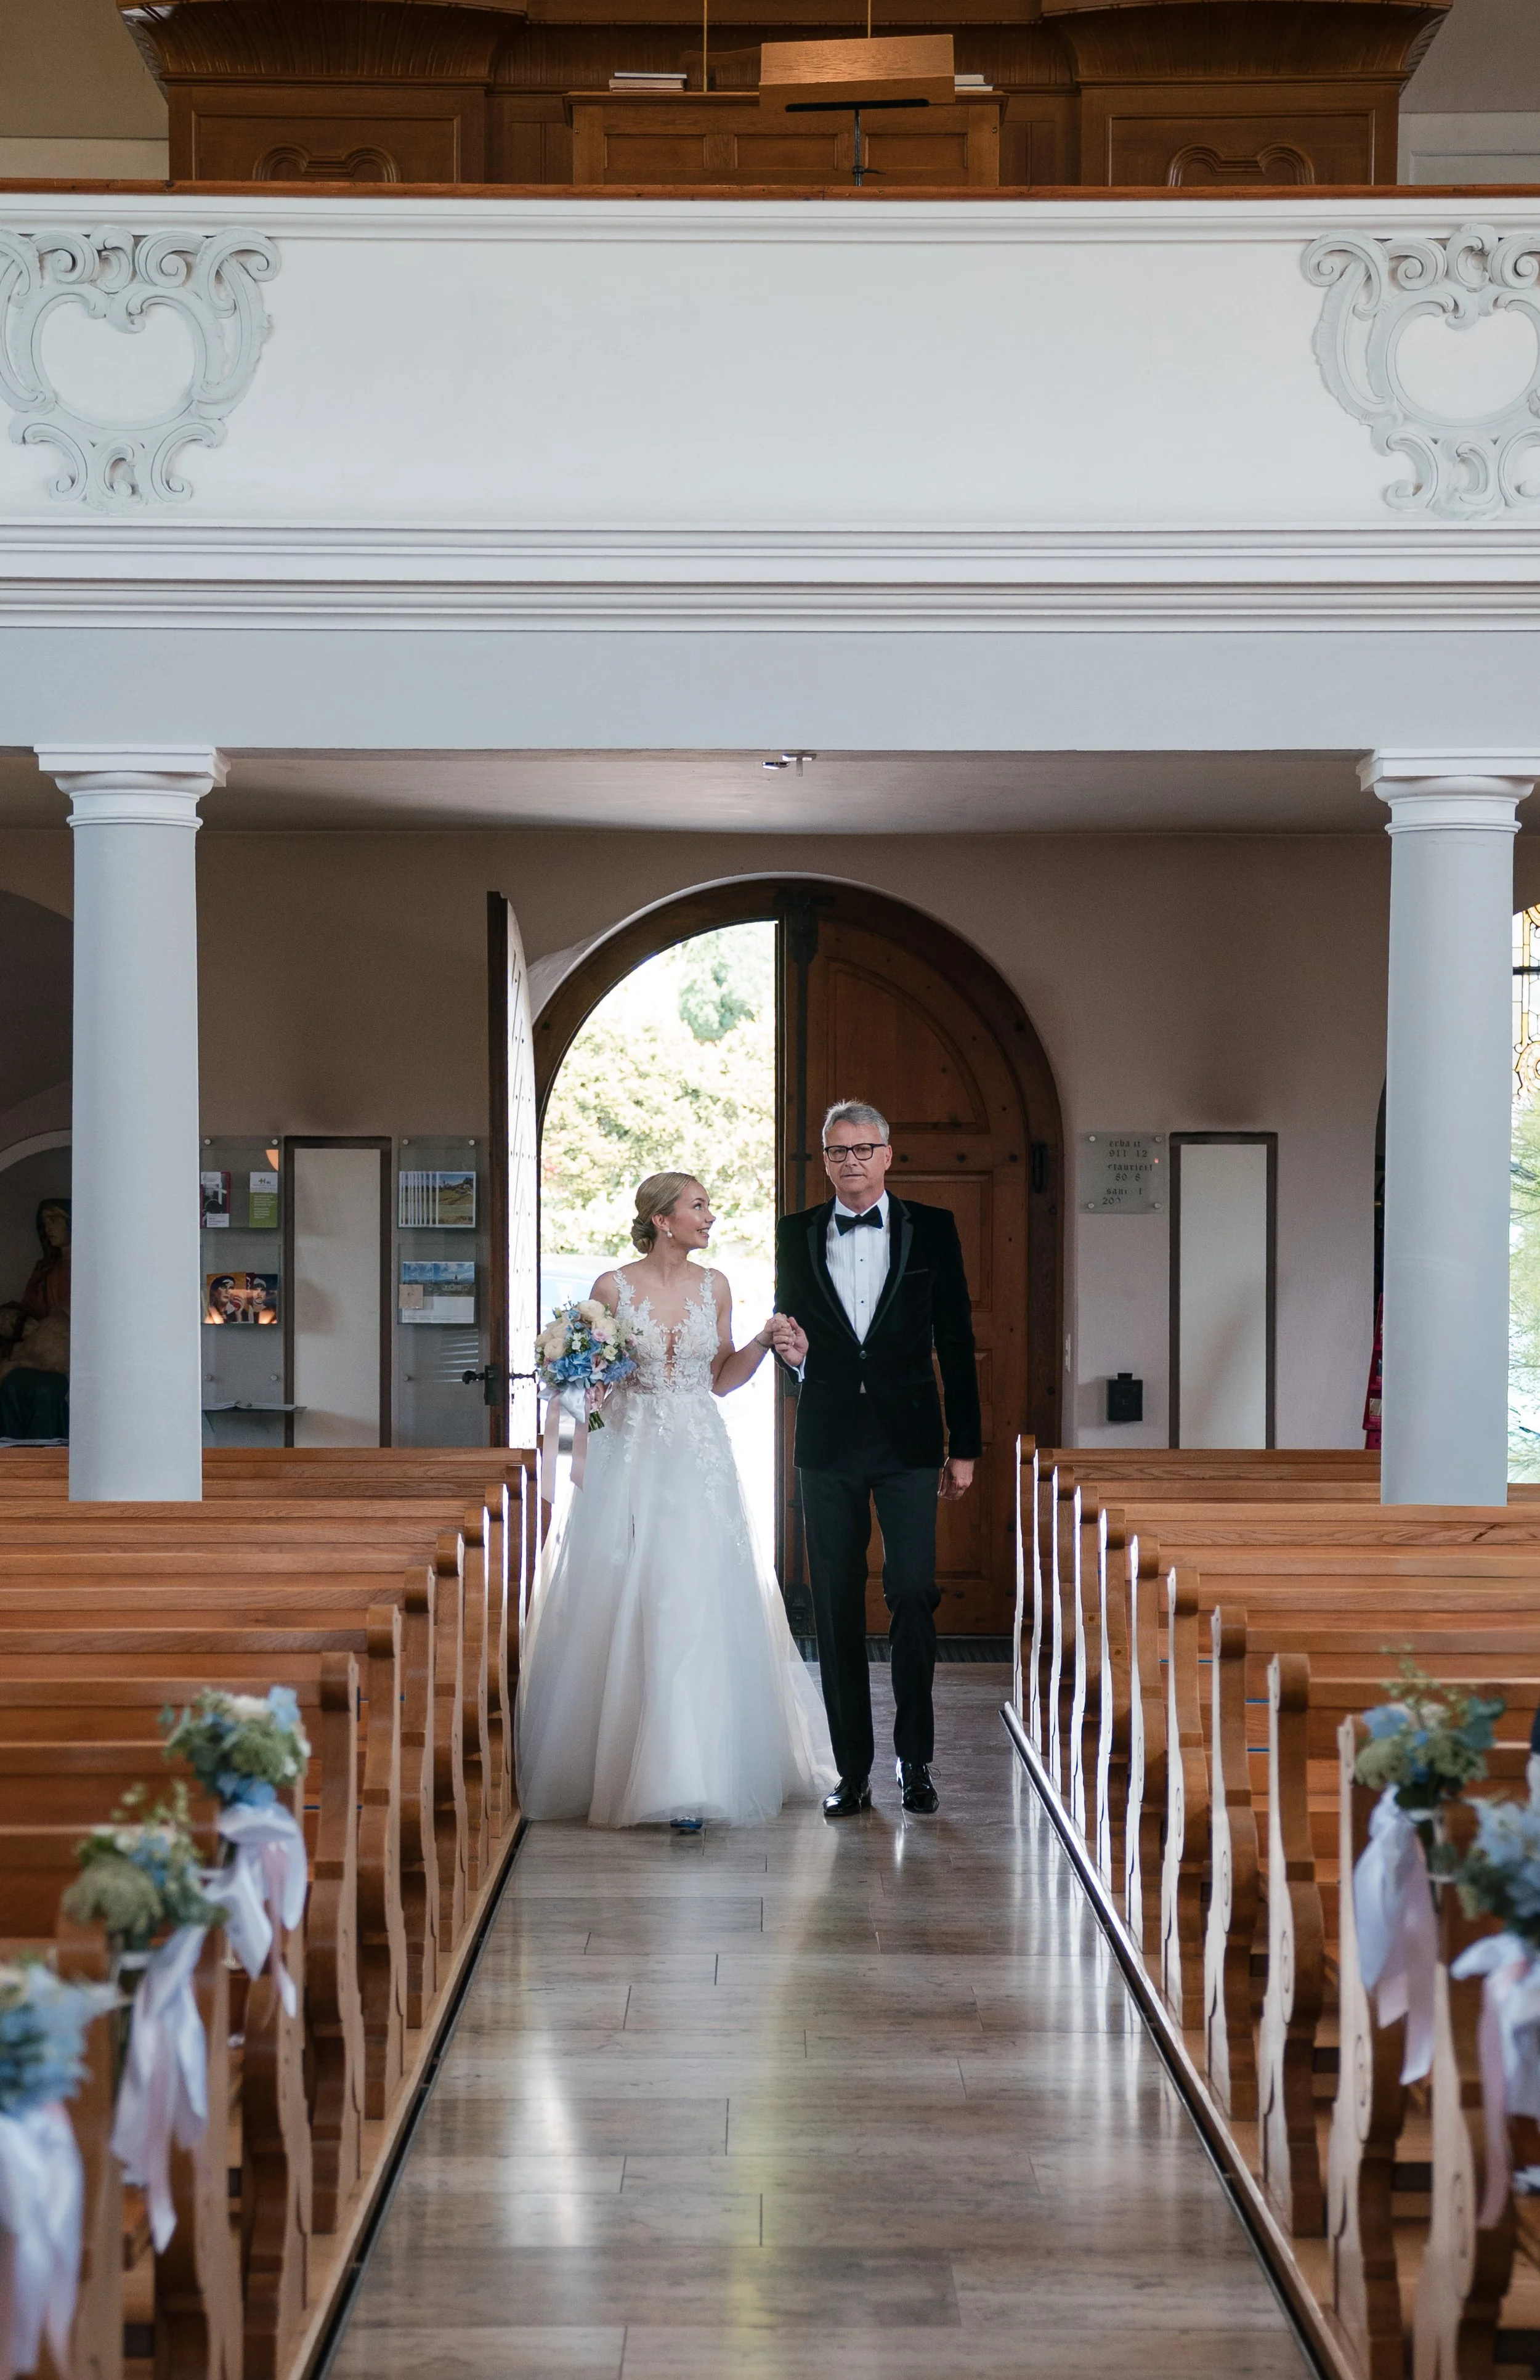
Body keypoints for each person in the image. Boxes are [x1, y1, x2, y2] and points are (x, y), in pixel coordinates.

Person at [516, 1171, 837, 1829]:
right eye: (698, 1206)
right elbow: (589, 1379)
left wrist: (759, 1343)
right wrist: (581, 1387)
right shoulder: (612, 1285)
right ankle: (630, 1762)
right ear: (662, 1219)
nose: (709, 1216)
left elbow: (720, 1379)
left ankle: (694, 1775)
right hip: (630, 1456)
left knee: (693, 1596)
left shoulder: (715, 1285)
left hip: (698, 1457)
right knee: (636, 1593)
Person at [774, 1099, 981, 1819]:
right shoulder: (794, 1233)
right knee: (832, 1604)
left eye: (863, 1148)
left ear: (887, 1154)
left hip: (910, 1439)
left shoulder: (933, 1227)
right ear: (825, 1160)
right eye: (837, 1151)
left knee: (914, 1590)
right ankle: (852, 1770)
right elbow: (791, 1336)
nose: (851, 1161)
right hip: (827, 1440)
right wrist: (796, 1363)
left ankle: (915, 1758)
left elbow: (955, 1338)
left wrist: (968, 1446)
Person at [21, 1198, 70, 1320]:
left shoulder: (91, 1268)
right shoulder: (44, 1269)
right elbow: (29, 1308)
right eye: (45, 1224)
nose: (48, 1229)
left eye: (54, 1221)